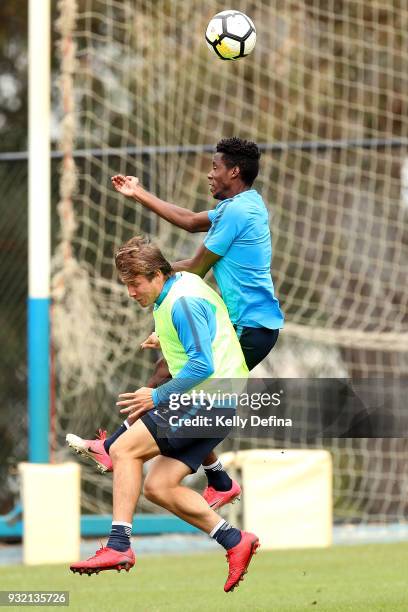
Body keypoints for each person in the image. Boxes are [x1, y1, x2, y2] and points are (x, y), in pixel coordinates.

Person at [68, 137, 284, 508]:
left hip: (252, 327)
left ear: (234, 171)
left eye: (215, 167)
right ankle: (218, 479)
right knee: (181, 382)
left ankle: (113, 445)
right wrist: (139, 193)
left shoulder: (237, 213)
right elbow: (188, 221)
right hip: (247, 324)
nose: (209, 174)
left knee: (173, 377)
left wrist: (149, 272)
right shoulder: (244, 203)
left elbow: (197, 267)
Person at [69, 236, 259, 592]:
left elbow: (202, 364)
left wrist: (156, 396)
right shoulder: (178, 287)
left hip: (208, 400)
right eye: (126, 284)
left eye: (135, 283)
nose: (130, 292)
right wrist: (167, 338)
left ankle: (119, 545)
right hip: (220, 402)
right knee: (158, 487)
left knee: (123, 450)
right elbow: (203, 333)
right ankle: (235, 539)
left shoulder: (181, 302)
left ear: (157, 275)